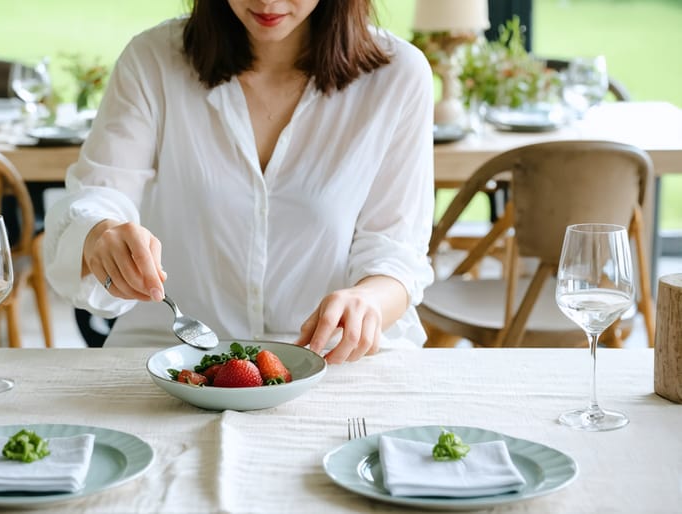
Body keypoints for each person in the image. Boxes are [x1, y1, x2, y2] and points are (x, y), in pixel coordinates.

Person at [44, 0, 434, 363]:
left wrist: (368, 300)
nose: (267, 2)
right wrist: (99, 233)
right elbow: (99, 195)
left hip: (331, 360)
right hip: (170, 354)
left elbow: (396, 252)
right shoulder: (153, 61)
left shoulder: (397, 76)